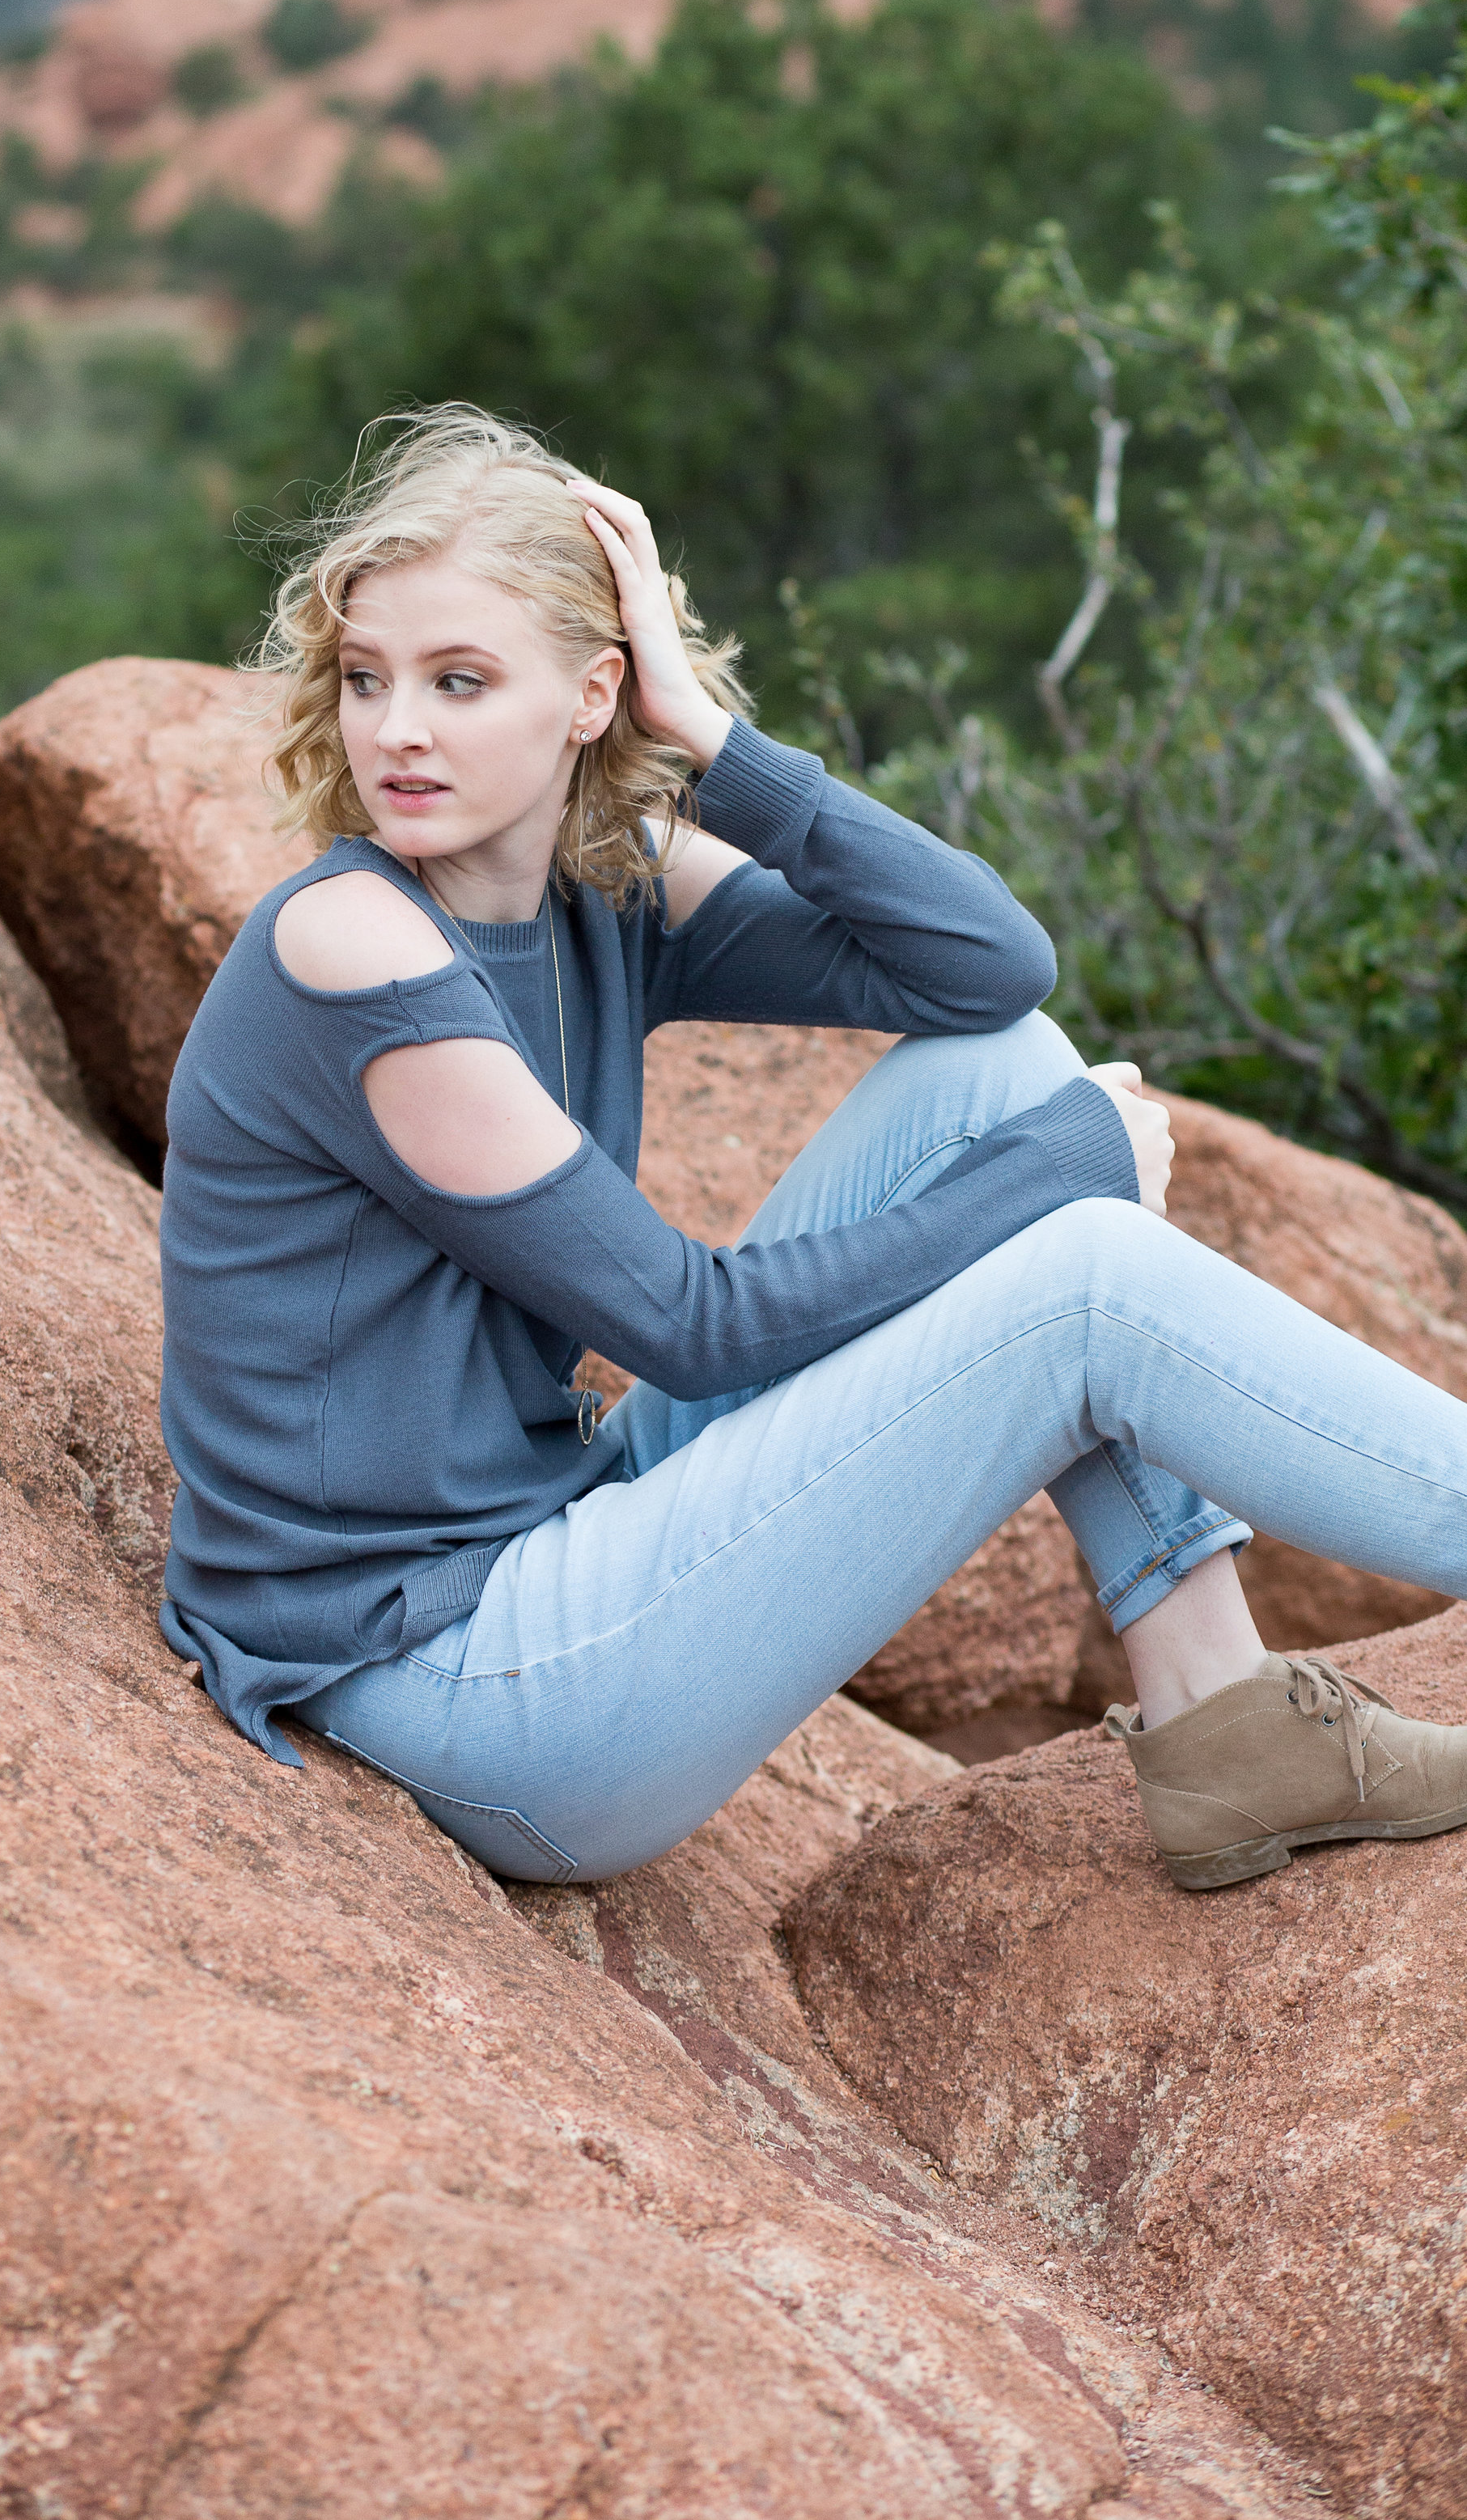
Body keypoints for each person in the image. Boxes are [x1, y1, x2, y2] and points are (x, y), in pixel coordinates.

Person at [157, 406, 1467, 1894]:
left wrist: (716, 742)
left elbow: (985, 967)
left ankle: (1227, 1716)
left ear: (595, 695)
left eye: (461, 681)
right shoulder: (352, 944)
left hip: (551, 1533)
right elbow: (687, 1327)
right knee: (1085, 1270)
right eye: (367, 677)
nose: (397, 728)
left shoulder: (600, 892)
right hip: (455, 1678)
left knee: (1003, 1074)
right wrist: (1059, 1174)